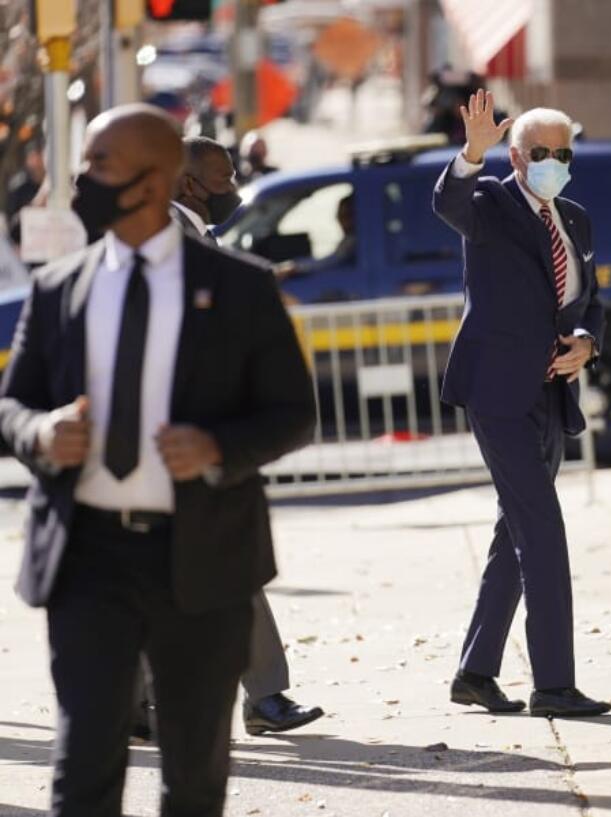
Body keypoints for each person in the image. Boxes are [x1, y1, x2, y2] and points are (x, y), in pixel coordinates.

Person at [0, 104, 316, 816]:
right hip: (86, 561)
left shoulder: (240, 287)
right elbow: (9, 407)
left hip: (201, 561)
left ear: (152, 179)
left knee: (194, 778)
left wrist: (217, 448)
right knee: (82, 770)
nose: (81, 180)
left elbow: (293, 414)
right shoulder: (59, 288)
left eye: (98, 164)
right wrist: (44, 431)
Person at [124, 134, 322, 741]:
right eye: (224, 176)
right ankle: (255, 697)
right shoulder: (164, 241)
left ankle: (251, 697)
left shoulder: (193, 236)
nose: (233, 186)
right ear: (189, 184)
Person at [433, 89, 611, 718]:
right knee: (541, 530)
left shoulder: (578, 219)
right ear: (516, 155)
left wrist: (587, 342)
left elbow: (589, 300)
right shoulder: (487, 201)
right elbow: (448, 200)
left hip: (549, 393)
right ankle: (554, 686)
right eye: (543, 153)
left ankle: (475, 672)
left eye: (564, 152)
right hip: (498, 391)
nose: (555, 162)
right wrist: (469, 154)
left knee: (515, 530)